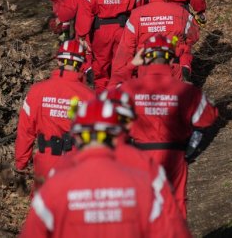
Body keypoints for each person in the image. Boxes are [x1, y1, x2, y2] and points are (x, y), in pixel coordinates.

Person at [20, 98, 190, 237]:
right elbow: (172, 231)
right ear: (117, 134)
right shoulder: (142, 183)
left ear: (77, 137)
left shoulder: (55, 183)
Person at [119, 35, 219, 218]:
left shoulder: (129, 89)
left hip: (140, 156)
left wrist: (130, 67)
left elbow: (106, 105)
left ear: (145, 58)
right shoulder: (186, 91)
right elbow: (207, 119)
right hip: (175, 156)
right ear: (172, 58)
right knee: (175, 205)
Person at [15, 40, 95, 189]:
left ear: (58, 61)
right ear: (81, 64)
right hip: (76, 163)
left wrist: (21, 162)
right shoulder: (90, 97)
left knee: (43, 207)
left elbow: (25, 130)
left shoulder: (37, 91)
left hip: (46, 163)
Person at [110, 0, 199, 86]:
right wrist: (181, 49)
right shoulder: (181, 13)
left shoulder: (136, 15)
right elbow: (194, 36)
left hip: (146, 71)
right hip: (173, 68)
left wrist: (119, 75)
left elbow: (126, 48)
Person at [75, 0, 141, 93]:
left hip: (101, 32)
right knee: (124, 68)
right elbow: (138, 9)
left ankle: (102, 104)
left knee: (101, 70)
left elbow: (85, 13)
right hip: (124, 30)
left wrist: (82, 36)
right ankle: (125, 103)